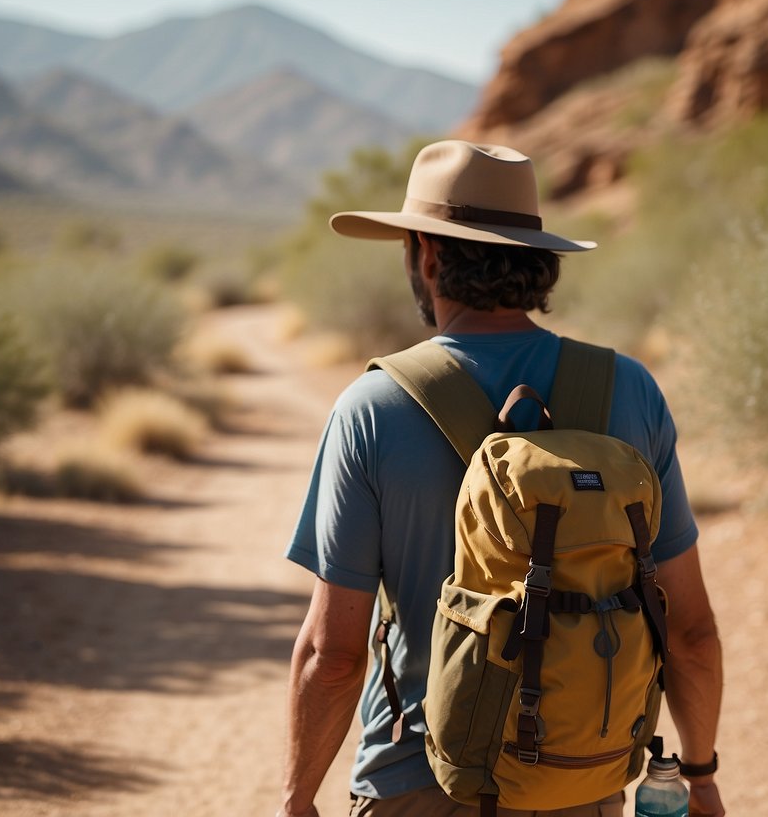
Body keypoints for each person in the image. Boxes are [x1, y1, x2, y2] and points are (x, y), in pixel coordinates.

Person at [277, 140, 725, 817]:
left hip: (418, 781)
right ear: (539, 260)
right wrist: (698, 777)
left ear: (425, 256)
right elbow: (689, 631)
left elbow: (332, 654)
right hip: (581, 774)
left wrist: (295, 799)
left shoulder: (372, 409)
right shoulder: (629, 391)